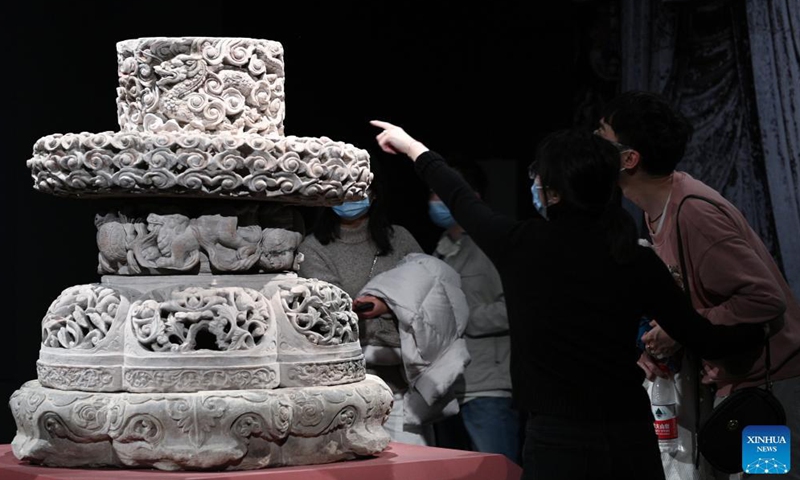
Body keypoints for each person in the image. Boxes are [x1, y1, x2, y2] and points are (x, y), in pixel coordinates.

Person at [369, 119, 765, 480]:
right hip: (630, 436)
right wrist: (762, 335)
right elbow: (701, 335)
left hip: (558, 440)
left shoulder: (521, 244)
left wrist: (411, 147)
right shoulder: (634, 256)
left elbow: (460, 198)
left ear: (553, 191)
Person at [596, 90, 800, 480]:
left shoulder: (695, 213)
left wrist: (681, 327)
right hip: (734, 383)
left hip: (771, 387)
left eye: (601, 135)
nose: (592, 145)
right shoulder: (656, 210)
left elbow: (764, 298)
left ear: (628, 158)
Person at [297, 167, 450, 446]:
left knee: (415, 467)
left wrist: (388, 306)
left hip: (405, 383)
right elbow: (330, 308)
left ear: (374, 193)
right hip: (347, 387)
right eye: (342, 189)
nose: (351, 196)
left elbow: (433, 294)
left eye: (359, 189)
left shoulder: (399, 238)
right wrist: (390, 302)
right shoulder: (314, 246)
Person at [427, 160, 520, 464]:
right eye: (432, 194)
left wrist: (464, 316)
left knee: (499, 469)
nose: (434, 201)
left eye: (441, 194)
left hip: (488, 386)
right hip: (448, 389)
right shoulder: (440, 250)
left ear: (471, 197)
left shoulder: (494, 244)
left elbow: (517, 308)